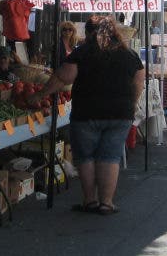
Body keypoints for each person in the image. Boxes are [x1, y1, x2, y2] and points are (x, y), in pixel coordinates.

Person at [27, 16, 143, 215]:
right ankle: (106, 203)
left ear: (89, 33)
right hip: (119, 114)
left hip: (87, 112)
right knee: (110, 156)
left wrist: (39, 95)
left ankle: (90, 201)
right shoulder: (129, 54)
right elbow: (139, 79)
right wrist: (131, 103)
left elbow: (63, 77)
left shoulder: (83, 52)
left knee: (86, 157)